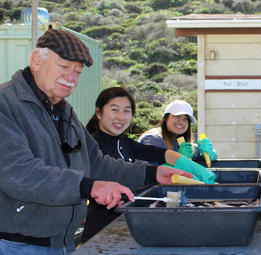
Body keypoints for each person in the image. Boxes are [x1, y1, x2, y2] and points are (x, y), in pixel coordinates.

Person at [0, 28, 194, 254]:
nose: (71, 78)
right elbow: (19, 173)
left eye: (77, 72)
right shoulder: (6, 105)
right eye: (64, 67)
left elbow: (96, 162)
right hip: (17, 244)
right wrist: (89, 187)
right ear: (36, 60)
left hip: (62, 243)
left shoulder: (64, 111)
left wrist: (151, 174)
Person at [81, 87, 216, 242]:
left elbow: (155, 153)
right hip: (102, 233)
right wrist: (155, 173)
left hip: (129, 226)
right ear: (99, 113)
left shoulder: (124, 141)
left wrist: (185, 163)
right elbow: (113, 173)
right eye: (114, 110)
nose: (121, 117)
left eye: (126, 111)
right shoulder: (92, 145)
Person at [139, 100, 217, 164]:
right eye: (177, 116)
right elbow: (149, 172)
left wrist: (209, 152)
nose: (181, 121)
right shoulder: (152, 139)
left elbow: (196, 151)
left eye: (186, 119)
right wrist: (178, 159)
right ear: (166, 118)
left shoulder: (179, 142)